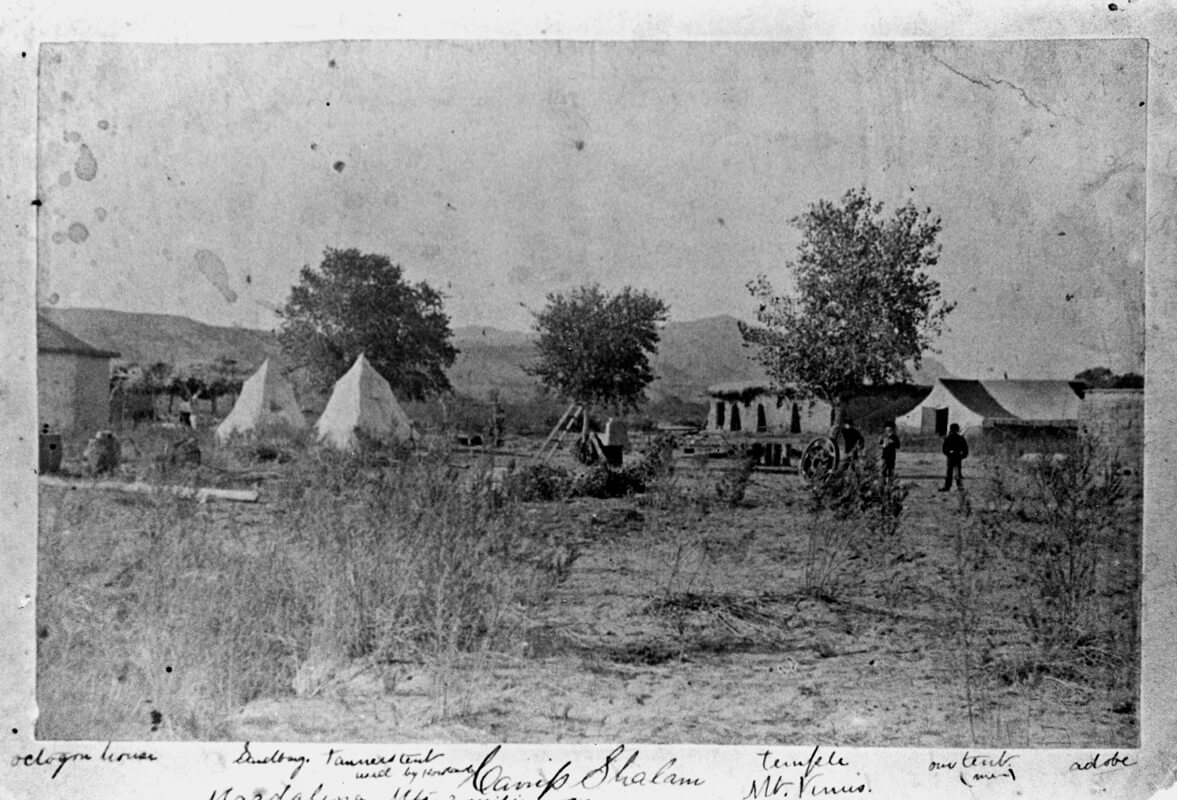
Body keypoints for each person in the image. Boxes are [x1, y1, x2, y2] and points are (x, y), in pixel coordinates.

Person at [940, 423, 969, 491]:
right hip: (958, 456)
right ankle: (960, 486)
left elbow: (944, 449)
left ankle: (947, 487)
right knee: (958, 472)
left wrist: (948, 453)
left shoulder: (948, 438)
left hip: (950, 457)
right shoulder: (960, 438)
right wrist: (963, 456)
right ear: (958, 429)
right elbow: (965, 448)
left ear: (951, 429)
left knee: (949, 473)